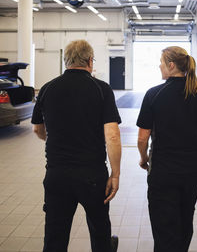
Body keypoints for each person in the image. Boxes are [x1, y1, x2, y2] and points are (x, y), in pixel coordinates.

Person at [32, 40, 121, 252]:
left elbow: (37, 129)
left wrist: (56, 139)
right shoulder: (101, 89)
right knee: (100, 232)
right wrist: (115, 174)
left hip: (57, 175)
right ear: (90, 61)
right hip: (92, 175)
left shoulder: (47, 88)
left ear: (66, 61)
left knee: (55, 236)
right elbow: (113, 136)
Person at [137, 46, 197, 252]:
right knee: (185, 218)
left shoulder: (153, 94)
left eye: (161, 62)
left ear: (171, 65)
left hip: (162, 170)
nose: (159, 65)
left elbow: (142, 138)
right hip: (192, 169)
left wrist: (144, 158)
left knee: (163, 225)